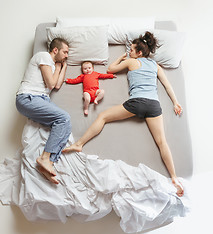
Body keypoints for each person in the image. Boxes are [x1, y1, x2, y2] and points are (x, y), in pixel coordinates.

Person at [63, 32, 184, 197]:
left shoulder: (131, 62)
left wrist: (121, 57)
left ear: (139, 53)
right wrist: (175, 102)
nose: (130, 52)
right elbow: (167, 85)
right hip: (154, 105)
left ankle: (79, 144)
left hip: (137, 103)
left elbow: (110, 69)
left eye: (132, 50)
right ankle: (174, 178)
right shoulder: (156, 66)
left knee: (103, 116)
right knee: (162, 142)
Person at [16, 38, 71, 184]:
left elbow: (57, 85)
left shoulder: (53, 64)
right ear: (55, 50)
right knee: (63, 118)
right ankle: (44, 157)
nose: (67, 55)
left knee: (66, 124)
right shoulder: (44, 56)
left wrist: (62, 66)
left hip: (40, 99)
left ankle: (48, 164)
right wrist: (58, 67)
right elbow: (51, 83)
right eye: (65, 52)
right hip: (28, 97)